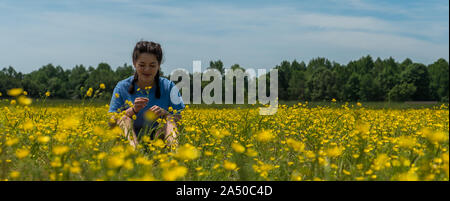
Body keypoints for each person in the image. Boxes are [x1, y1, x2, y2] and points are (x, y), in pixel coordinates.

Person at [108, 40, 185, 149]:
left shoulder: (169, 86)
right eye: (142, 65)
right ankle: (135, 155)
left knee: (170, 120)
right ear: (134, 63)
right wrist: (132, 110)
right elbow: (111, 122)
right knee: (124, 118)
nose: (147, 69)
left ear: (159, 65)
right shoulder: (122, 87)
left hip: (159, 139)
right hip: (128, 138)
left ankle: (175, 157)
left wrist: (165, 114)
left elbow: (180, 119)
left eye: (152, 65)